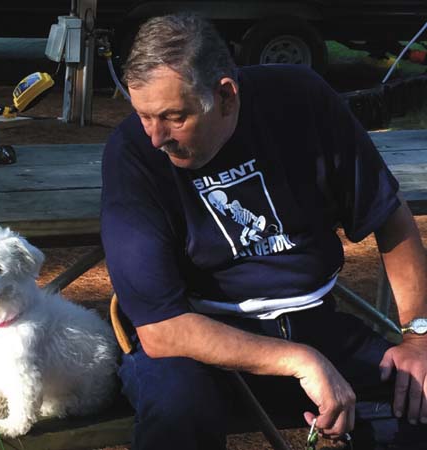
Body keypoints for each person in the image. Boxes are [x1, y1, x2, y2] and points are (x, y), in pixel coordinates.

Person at [100, 13, 427, 450]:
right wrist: (299, 360)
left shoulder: (300, 99)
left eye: (173, 117)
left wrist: (419, 336)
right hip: (199, 337)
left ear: (226, 95)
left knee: (418, 395)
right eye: (144, 116)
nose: (156, 137)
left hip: (314, 320)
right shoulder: (132, 153)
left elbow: (389, 216)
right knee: (179, 412)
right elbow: (161, 330)